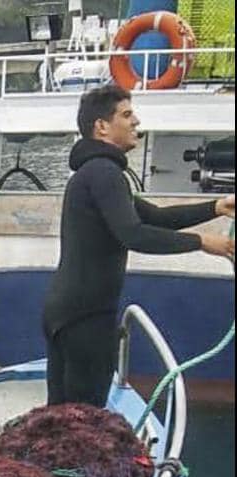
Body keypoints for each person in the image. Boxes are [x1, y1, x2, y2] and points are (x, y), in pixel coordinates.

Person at [43, 84, 234, 407]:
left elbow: (155, 217)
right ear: (101, 127)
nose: (136, 122)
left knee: (62, 416)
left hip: (68, 312)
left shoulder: (96, 173)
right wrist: (203, 242)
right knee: (84, 417)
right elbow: (134, 234)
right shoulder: (104, 173)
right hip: (85, 318)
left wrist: (216, 206)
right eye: (127, 114)